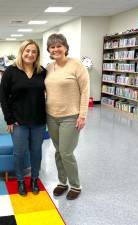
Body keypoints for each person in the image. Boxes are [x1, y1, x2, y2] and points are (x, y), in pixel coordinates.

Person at [45, 33, 90, 200]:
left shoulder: (76, 65)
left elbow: (85, 91)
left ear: (65, 47)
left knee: (66, 152)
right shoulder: (49, 67)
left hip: (70, 116)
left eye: (59, 46)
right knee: (58, 151)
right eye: (52, 46)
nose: (56, 49)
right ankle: (62, 182)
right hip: (51, 116)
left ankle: (75, 185)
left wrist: (82, 115)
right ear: (49, 50)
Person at [0, 40, 46, 196]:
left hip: (39, 120)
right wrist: (9, 119)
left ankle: (34, 179)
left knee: (36, 152)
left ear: (37, 55)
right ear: (21, 52)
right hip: (19, 122)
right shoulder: (11, 71)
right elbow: (3, 97)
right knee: (19, 152)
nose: (30, 54)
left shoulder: (42, 72)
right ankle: (20, 181)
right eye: (27, 51)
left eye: (34, 52)